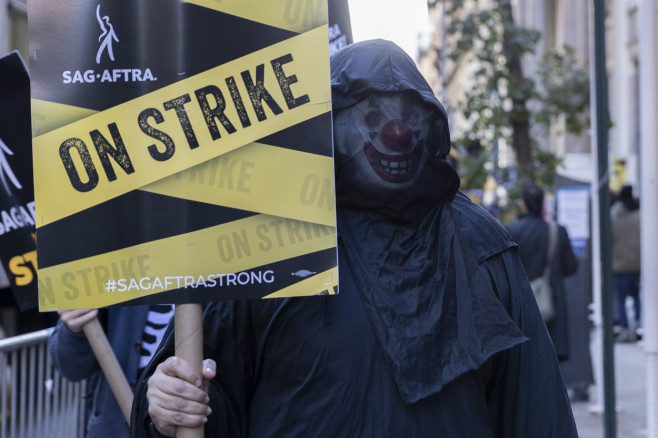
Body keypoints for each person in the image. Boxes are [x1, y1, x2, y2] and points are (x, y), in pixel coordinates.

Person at [130, 40, 578, 437]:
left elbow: (533, 407)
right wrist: (169, 410)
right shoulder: (269, 239)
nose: (396, 133)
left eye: (410, 118)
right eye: (372, 116)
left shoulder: (481, 244)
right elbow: (205, 396)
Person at [49, 304, 174, 438]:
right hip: (113, 423)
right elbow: (70, 367)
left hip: (185, 421)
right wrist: (74, 328)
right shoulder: (108, 285)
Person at [506, 183, 579, 361]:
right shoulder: (557, 231)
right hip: (551, 304)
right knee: (551, 358)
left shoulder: (511, 231)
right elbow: (571, 266)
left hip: (520, 305)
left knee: (525, 359)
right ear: (543, 204)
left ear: (523, 204)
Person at [610, 184, 641, 342]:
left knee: (621, 298)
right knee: (636, 295)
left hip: (620, 263)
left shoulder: (614, 214)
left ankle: (624, 329)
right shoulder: (640, 213)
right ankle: (637, 324)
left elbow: (609, 239)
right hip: (637, 263)